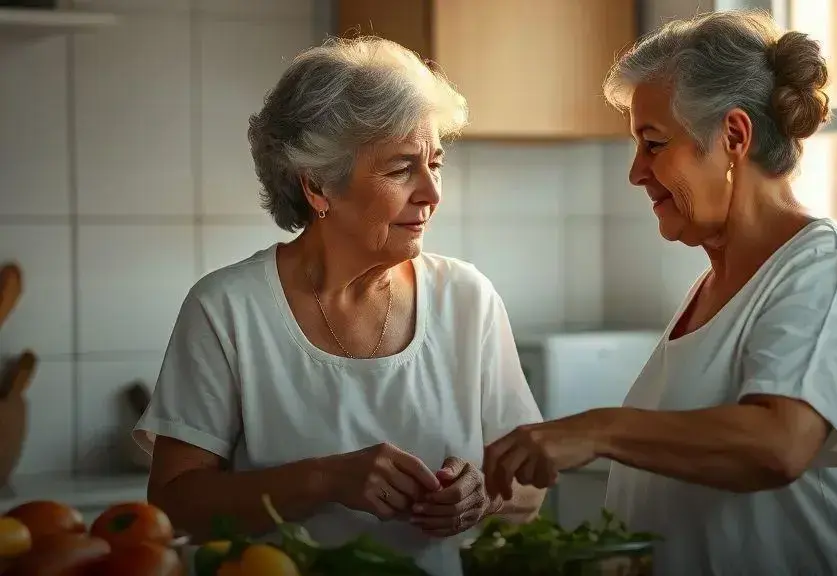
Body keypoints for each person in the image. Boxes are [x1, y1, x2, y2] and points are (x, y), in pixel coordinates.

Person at [483, 10, 837, 576]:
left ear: (733, 136)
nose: (636, 172)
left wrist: (598, 429)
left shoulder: (825, 267)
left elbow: (779, 444)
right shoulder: (713, 285)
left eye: (654, 143)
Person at [133, 36, 545, 576]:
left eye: (435, 163)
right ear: (318, 185)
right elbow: (172, 506)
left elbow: (528, 486)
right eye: (401, 169)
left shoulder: (467, 298)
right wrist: (323, 481)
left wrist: (481, 495)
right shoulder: (227, 309)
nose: (431, 193)